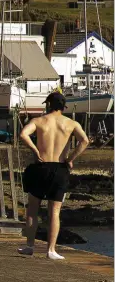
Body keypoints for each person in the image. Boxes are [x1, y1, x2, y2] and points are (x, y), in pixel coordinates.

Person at [18, 92, 89, 260]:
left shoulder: (39, 121)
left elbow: (23, 134)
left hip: (41, 167)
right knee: (55, 212)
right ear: (63, 107)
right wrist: (70, 159)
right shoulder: (71, 123)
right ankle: (51, 250)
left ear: (48, 105)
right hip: (60, 168)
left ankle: (29, 246)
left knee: (32, 210)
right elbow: (85, 141)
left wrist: (35, 150)